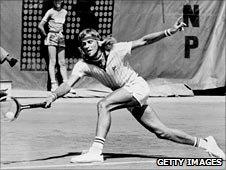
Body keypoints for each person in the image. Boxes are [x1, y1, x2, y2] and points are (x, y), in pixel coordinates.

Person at [44, 17, 225, 163]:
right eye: (83, 44)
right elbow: (68, 85)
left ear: (99, 42)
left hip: (136, 87)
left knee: (104, 104)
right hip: (125, 94)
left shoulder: (116, 50)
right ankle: (207, 144)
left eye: (90, 42)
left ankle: (96, 152)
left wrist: (170, 31)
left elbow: (144, 40)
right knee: (162, 132)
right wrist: (53, 95)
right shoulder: (83, 65)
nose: (87, 46)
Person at [38, 0, 68, 91]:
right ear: (53, 1)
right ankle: (53, 84)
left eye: (59, 0)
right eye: (55, 0)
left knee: (62, 62)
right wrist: (46, 35)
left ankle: (66, 85)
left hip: (61, 37)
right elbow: (40, 25)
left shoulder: (65, 12)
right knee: (52, 61)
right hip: (52, 36)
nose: (57, 2)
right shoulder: (50, 11)